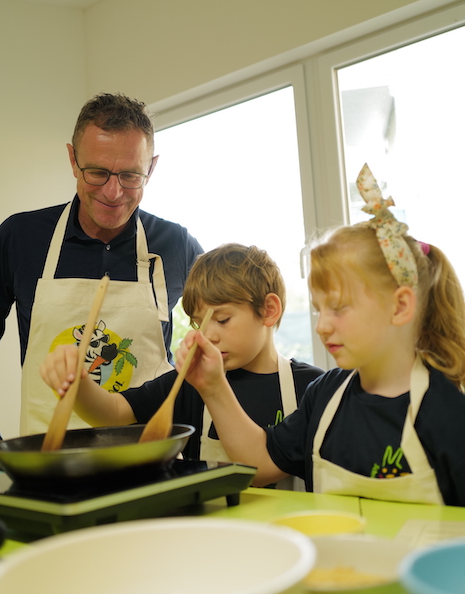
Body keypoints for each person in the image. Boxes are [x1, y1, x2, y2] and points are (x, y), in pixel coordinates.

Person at [175, 164, 465, 506]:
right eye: (318, 309)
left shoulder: (446, 410)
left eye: (339, 308)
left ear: (400, 306)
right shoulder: (325, 395)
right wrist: (211, 386)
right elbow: (259, 463)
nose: (321, 326)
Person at [0, 92, 203, 447]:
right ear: (73, 160)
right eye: (98, 173)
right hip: (47, 469)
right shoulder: (20, 238)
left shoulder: (176, 244)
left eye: (130, 175)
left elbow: (226, 333)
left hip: (152, 464)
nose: (113, 191)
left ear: (150, 168)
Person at [40, 243, 324, 488]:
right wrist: (78, 383)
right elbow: (113, 414)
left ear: (269, 311)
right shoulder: (188, 383)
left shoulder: (313, 389)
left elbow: (262, 472)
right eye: (199, 324)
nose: (208, 335)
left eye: (222, 319)